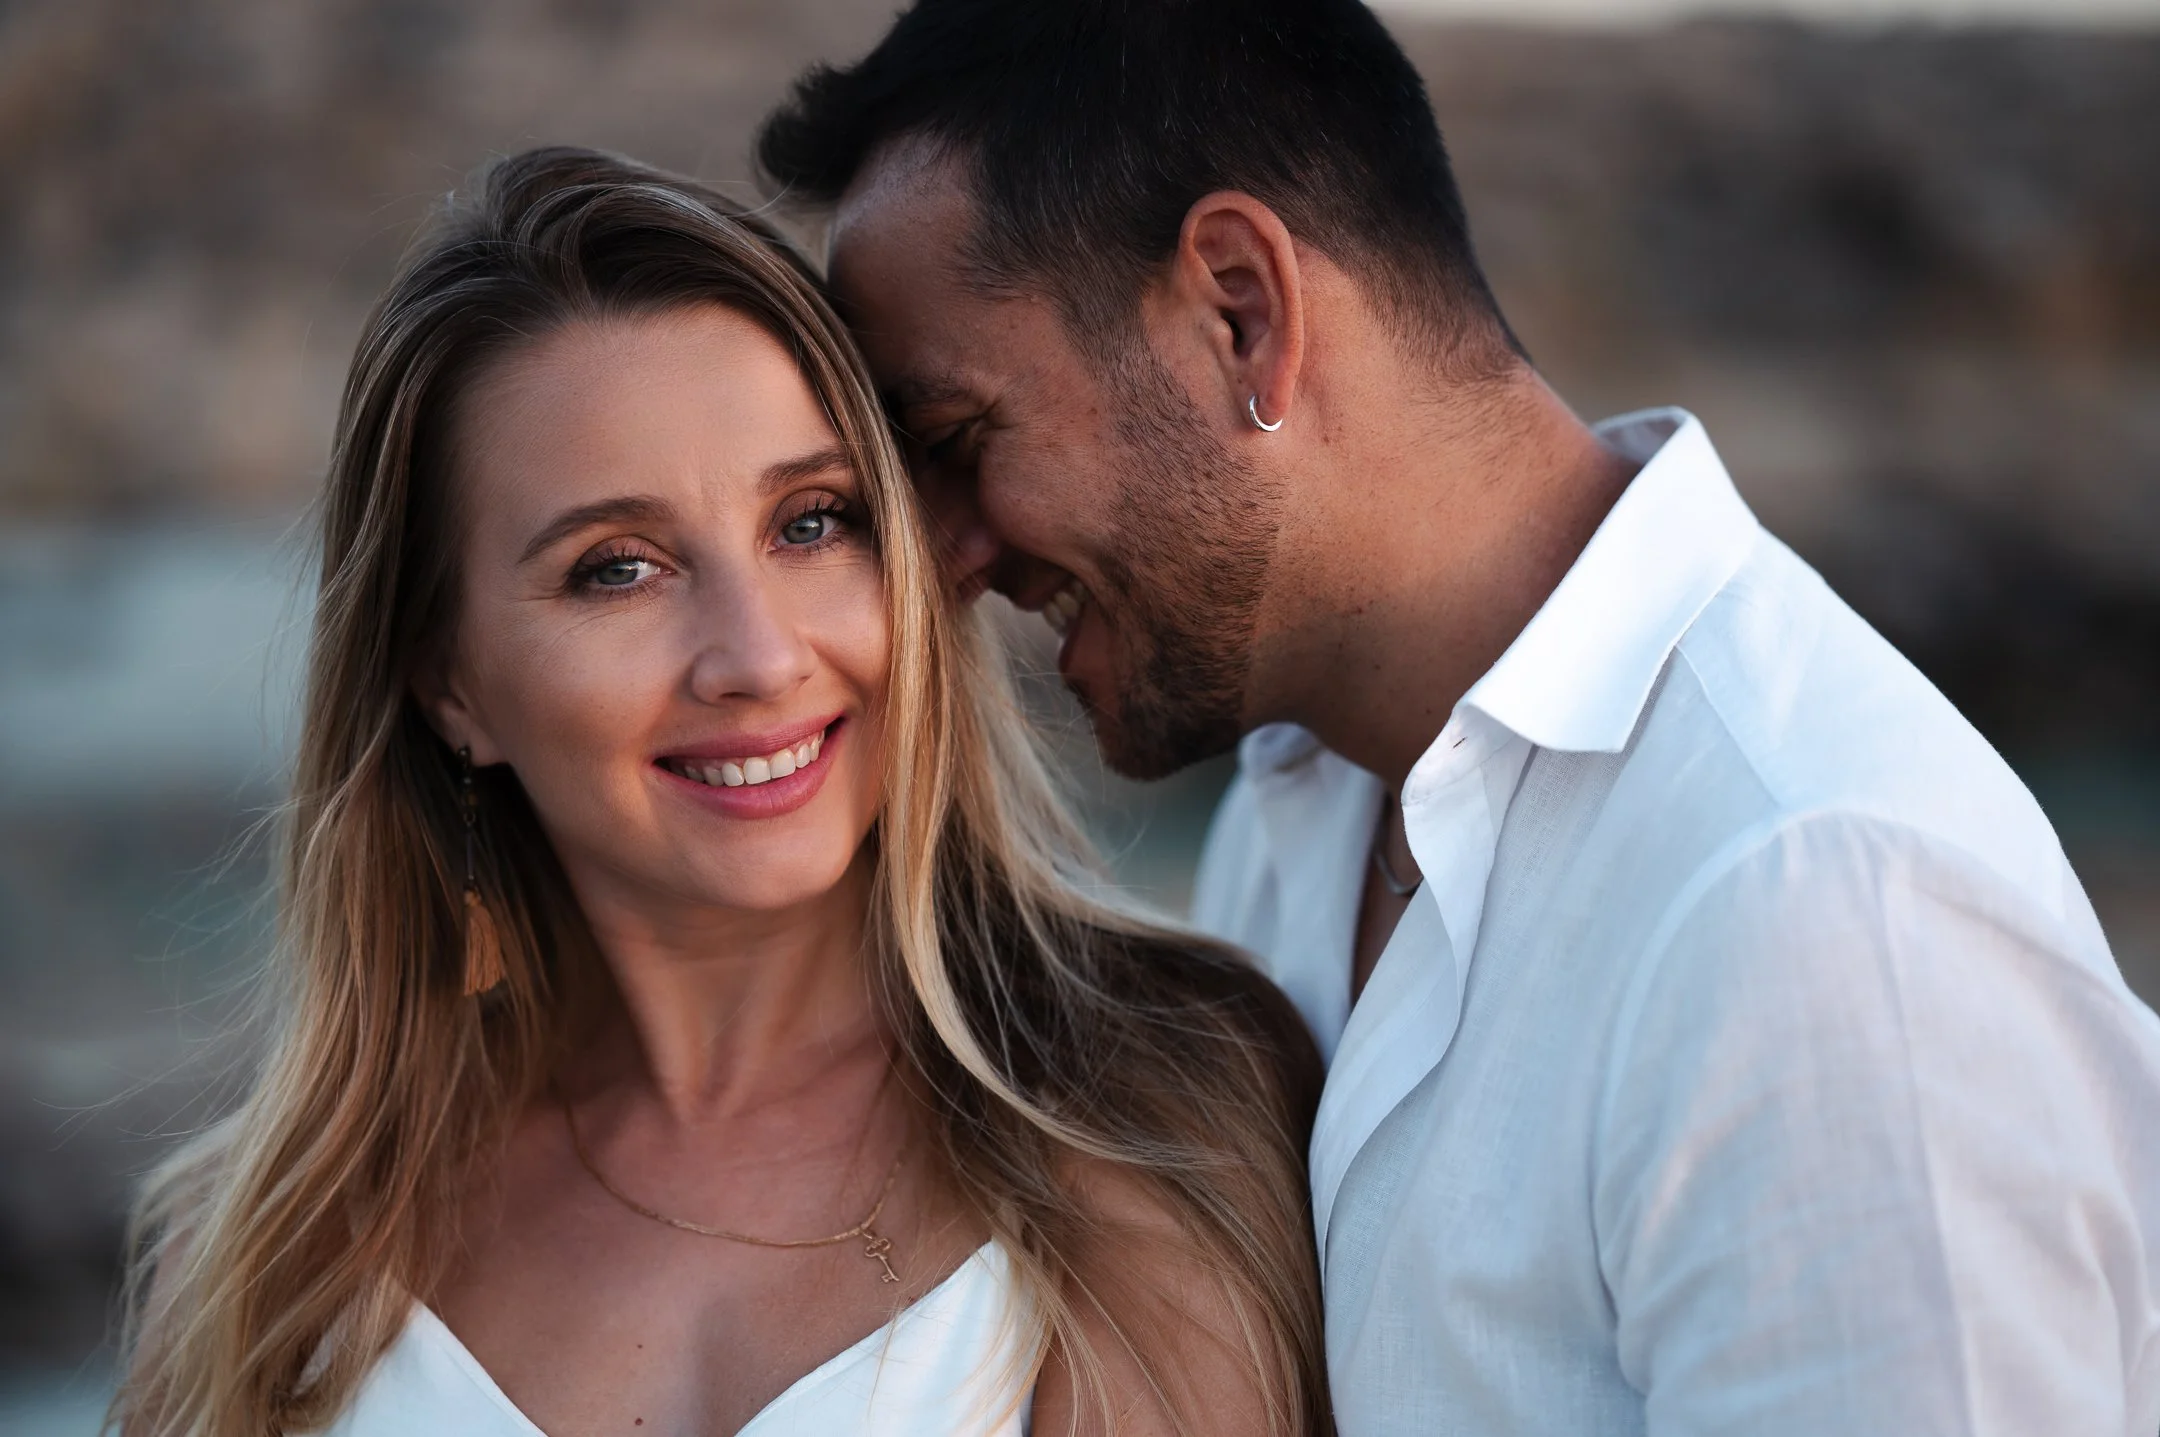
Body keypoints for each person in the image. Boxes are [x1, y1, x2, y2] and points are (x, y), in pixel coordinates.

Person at [756, 0, 2160, 1431]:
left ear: (1241, 312)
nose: (943, 558)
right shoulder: (1297, 812)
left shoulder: (1822, 906)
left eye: (957, 439)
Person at [111, 147, 1329, 1437]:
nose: (757, 657)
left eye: (811, 522)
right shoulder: (265, 1258)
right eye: (617, 568)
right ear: (450, 684)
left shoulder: (1155, 1101)